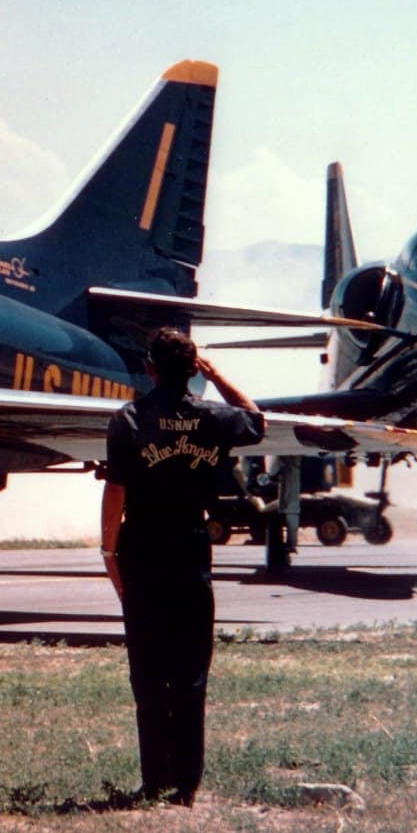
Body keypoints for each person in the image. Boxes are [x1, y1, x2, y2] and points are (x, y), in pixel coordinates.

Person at [101, 326, 264, 805]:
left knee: (147, 672)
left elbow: (116, 491)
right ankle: (187, 784)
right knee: (191, 670)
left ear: (149, 369)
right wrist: (216, 377)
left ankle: (155, 778)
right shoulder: (214, 418)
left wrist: (109, 555)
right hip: (191, 548)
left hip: (142, 548)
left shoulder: (129, 419)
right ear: (193, 369)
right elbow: (256, 419)